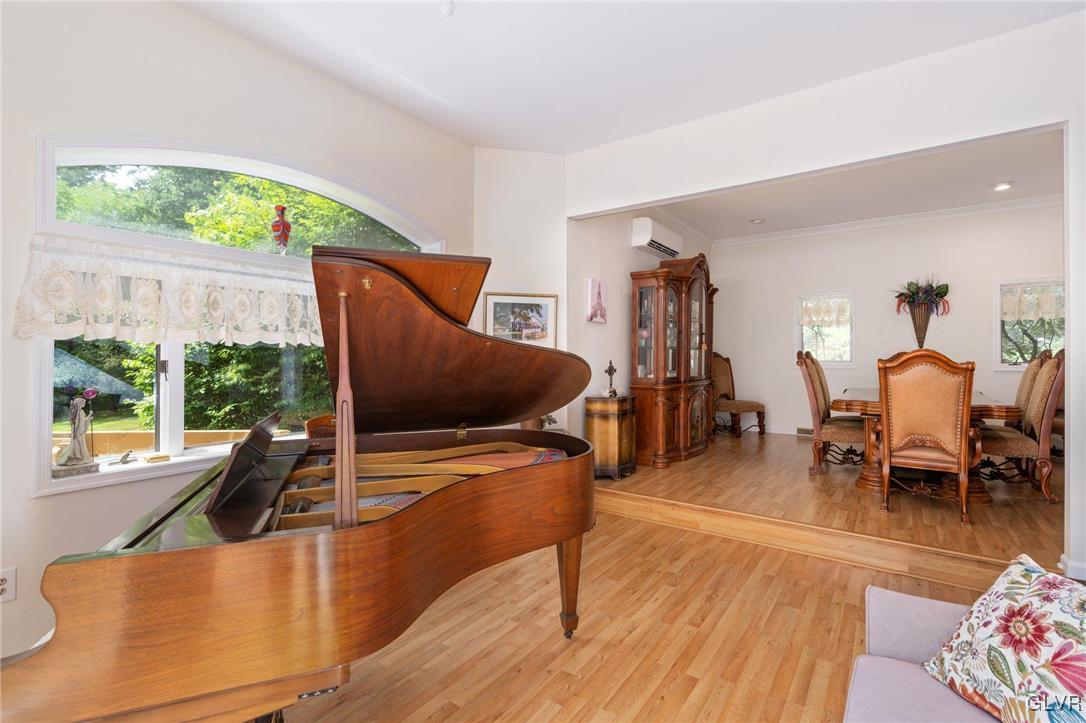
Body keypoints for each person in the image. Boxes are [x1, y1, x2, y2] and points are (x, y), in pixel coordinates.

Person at [57, 397, 93, 466]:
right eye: (83, 403)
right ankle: (80, 458)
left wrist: (89, 415)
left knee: (80, 444)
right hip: (79, 431)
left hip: (80, 430)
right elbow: (77, 422)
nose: (84, 404)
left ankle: (81, 458)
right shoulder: (78, 412)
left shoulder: (80, 411)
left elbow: (83, 420)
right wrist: (75, 432)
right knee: (79, 444)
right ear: (80, 404)